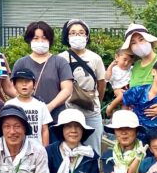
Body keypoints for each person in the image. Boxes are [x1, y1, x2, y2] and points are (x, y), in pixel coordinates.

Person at [7, 21, 73, 120]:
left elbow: (67, 89)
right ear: (29, 40)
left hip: (56, 117)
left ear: (50, 40)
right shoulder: (21, 63)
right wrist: (25, 103)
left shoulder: (60, 62)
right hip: (28, 117)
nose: (40, 41)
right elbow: (13, 88)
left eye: (44, 38)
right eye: (36, 38)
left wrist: (50, 106)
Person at [58, 19, 105, 155]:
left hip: (92, 112)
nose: (77, 36)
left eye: (81, 32)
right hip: (68, 110)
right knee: (69, 150)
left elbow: (101, 84)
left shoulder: (95, 58)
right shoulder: (60, 58)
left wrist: (95, 100)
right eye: (73, 33)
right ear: (67, 36)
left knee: (94, 150)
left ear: (87, 36)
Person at [4, 69, 52, 146]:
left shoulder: (41, 105)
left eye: (27, 81)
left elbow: (44, 130)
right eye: (20, 81)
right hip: (16, 148)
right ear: (14, 85)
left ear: (34, 84)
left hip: (37, 149)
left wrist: (45, 149)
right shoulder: (9, 105)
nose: (24, 84)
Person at [103, 49, 135, 115]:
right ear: (117, 57)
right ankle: (110, 108)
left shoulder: (131, 68)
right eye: (124, 60)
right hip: (118, 89)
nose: (126, 63)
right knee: (121, 96)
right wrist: (110, 66)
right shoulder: (114, 69)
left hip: (128, 89)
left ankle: (124, 116)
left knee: (126, 106)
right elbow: (107, 78)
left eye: (130, 62)